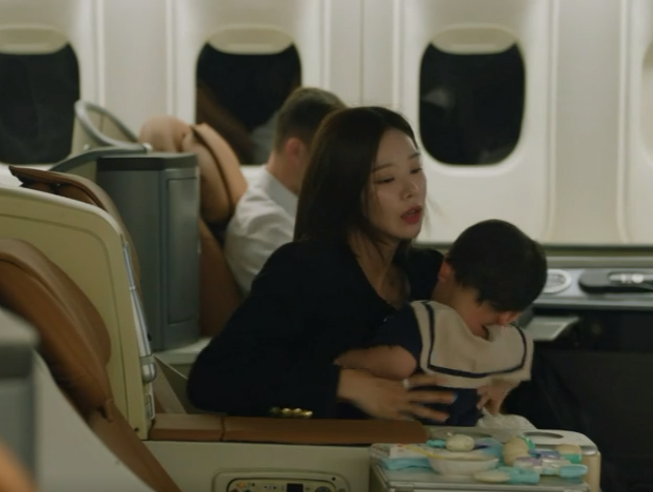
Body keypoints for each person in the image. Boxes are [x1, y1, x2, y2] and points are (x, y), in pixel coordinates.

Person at [187, 106, 457, 421]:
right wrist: (346, 383)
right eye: (386, 179)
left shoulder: (428, 272)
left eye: (415, 169)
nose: (412, 190)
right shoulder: (304, 270)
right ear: (345, 192)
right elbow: (212, 378)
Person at [335, 219, 548, 426]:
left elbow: (396, 364)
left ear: (446, 268)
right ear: (509, 316)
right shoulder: (506, 340)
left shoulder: (429, 321)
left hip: (412, 432)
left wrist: (345, 360)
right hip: (464, 434)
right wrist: (498, 387)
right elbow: (512, 376)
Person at [224, 87, 346, 294]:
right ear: (296, 151)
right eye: (331, 158)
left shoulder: (295, 204)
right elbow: (328, 300)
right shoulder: (264, 228)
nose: (339, 170)